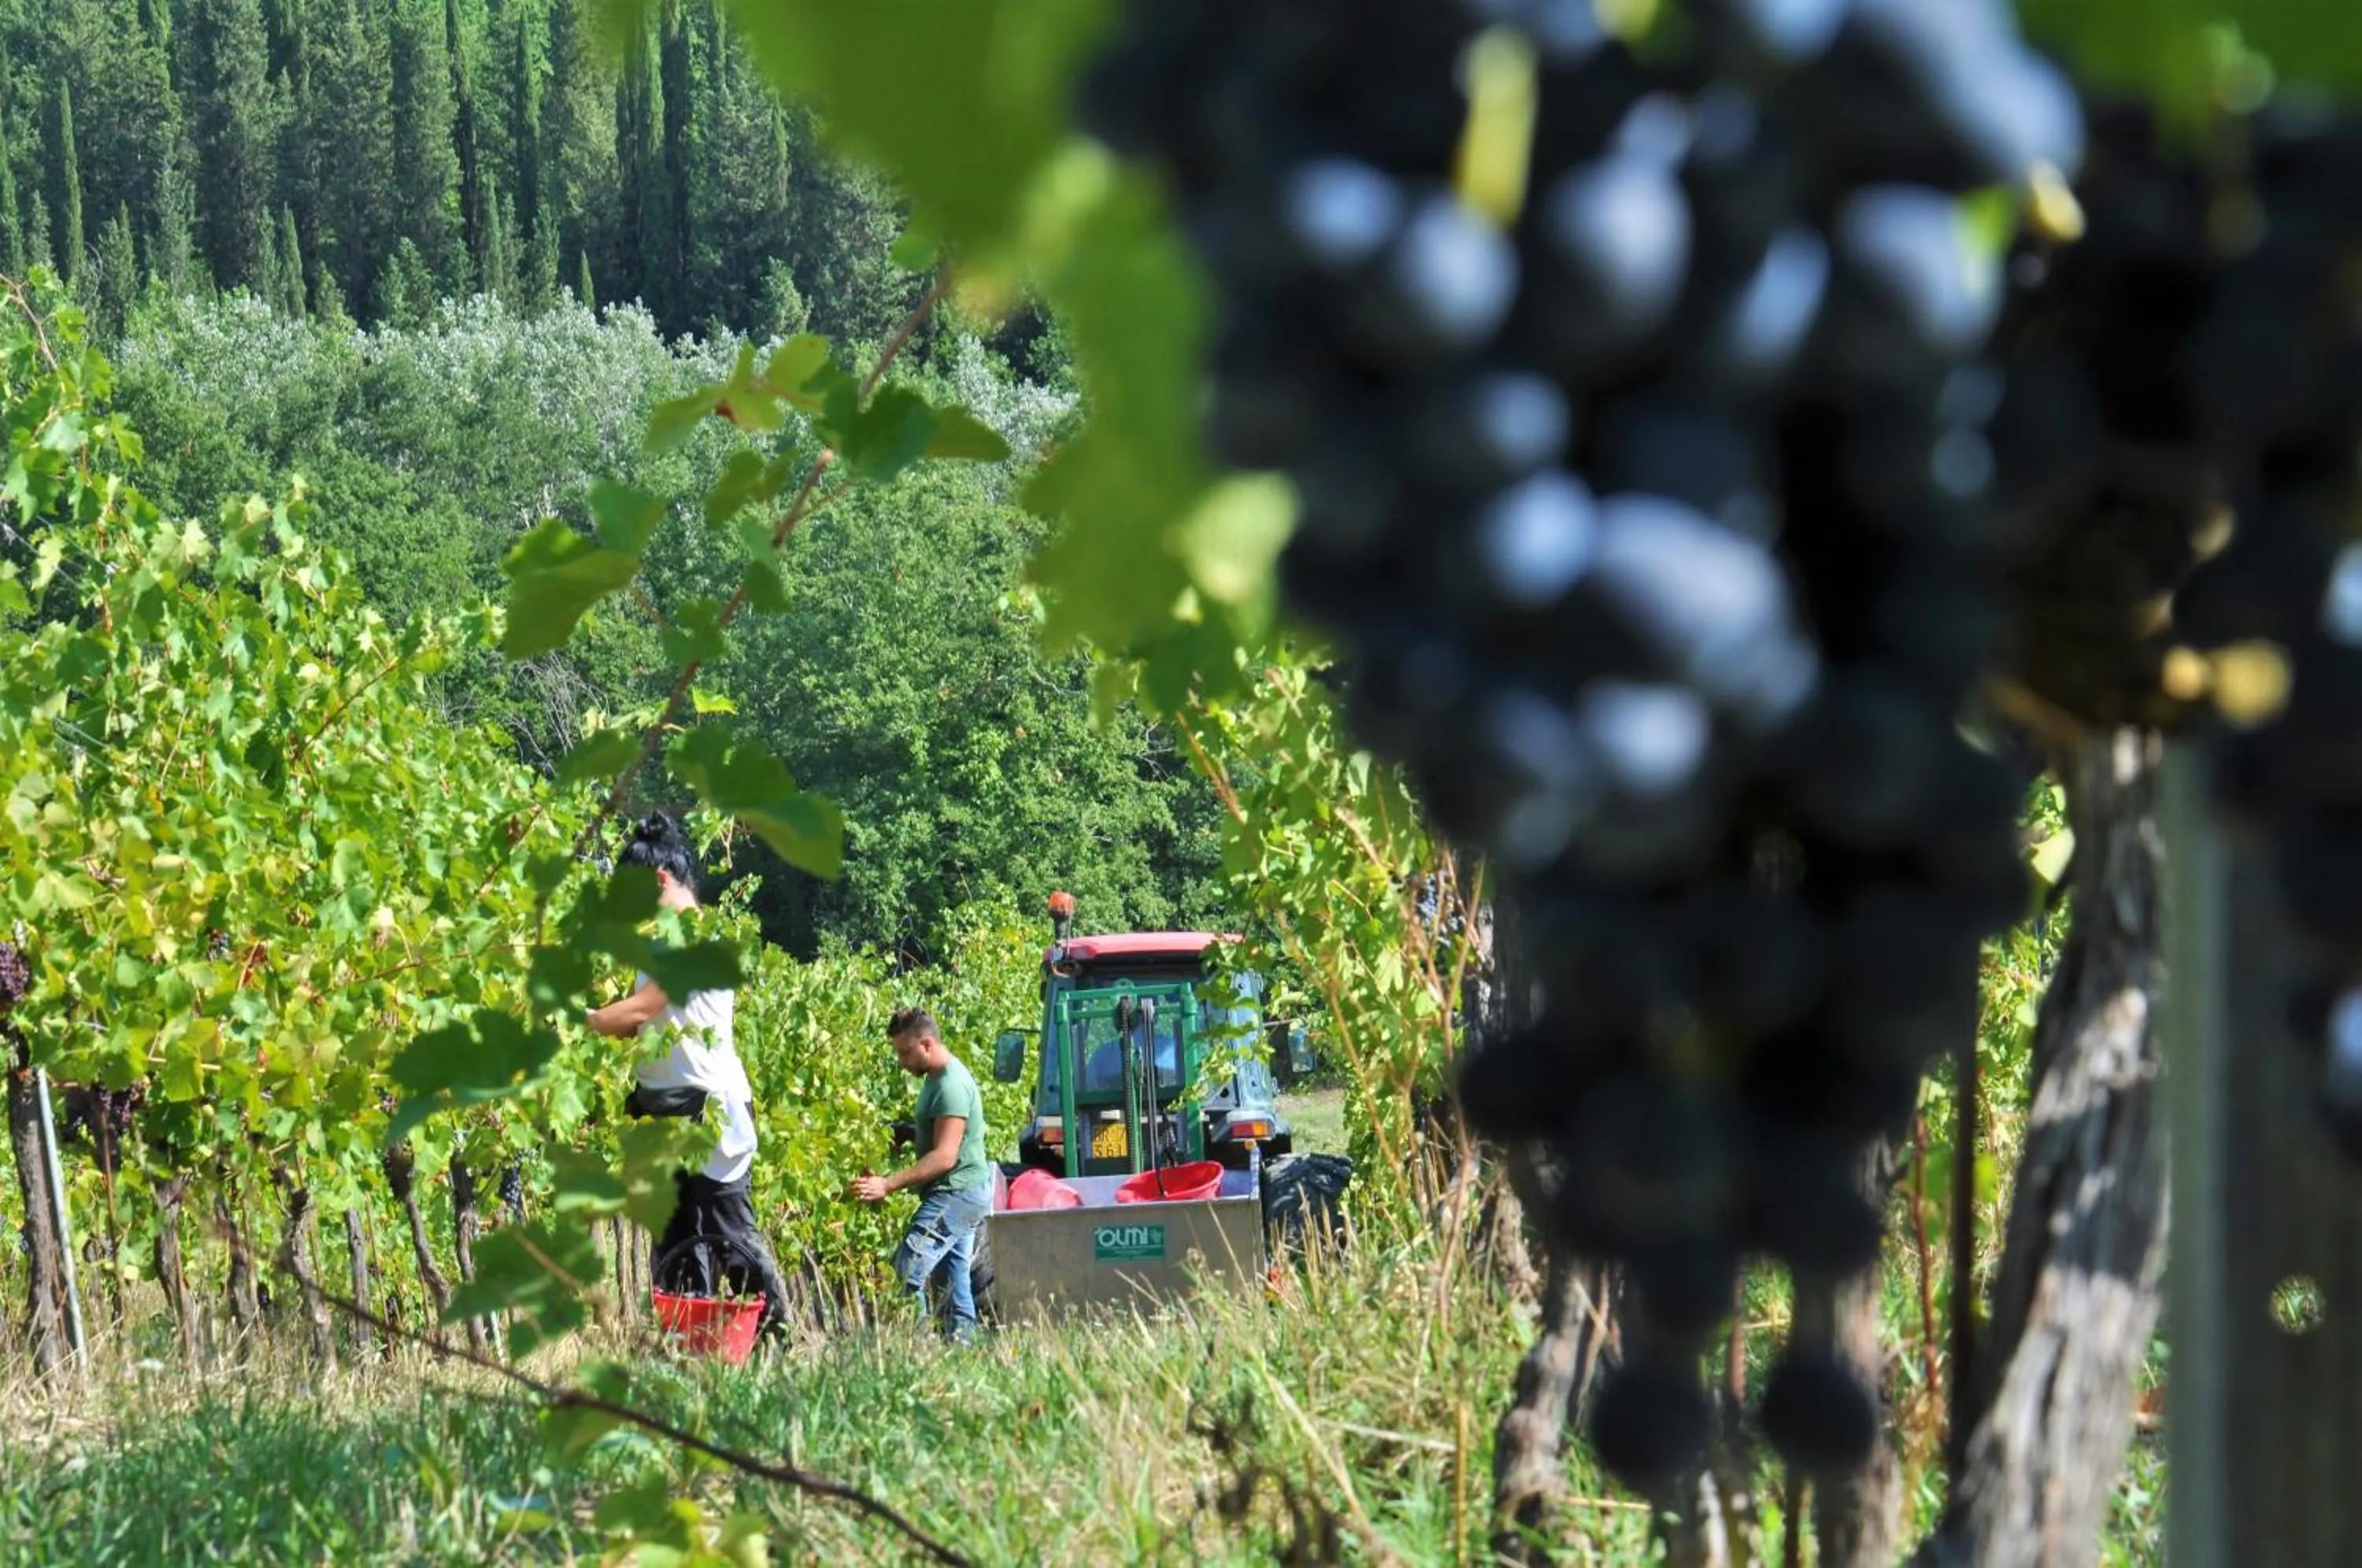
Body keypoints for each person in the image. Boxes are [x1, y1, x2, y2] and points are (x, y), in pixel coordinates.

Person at [585, 812, 795, 1337]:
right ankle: (690, 1347)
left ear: (660, 881)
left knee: (729, 1236)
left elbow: (640, 1009)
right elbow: (639, 1025)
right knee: (675, 1242)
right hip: (665, 1111)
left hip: (711, 1113)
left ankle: (776, 1339)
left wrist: (579, 1018)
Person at [851, 1006, 990, 1342]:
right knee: (952, 1282)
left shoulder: (951, 1085)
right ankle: (964, 1349)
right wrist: (911, 1133)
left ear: (926, 1044)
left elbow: (945, 1156)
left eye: (905, 1052)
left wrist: (887, 1184)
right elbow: (943, 1134)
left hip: (956, 1193)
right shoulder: (937, 1078)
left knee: (906, 1270)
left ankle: (916, 1349)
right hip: (964, 1192)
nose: (901, 1061)